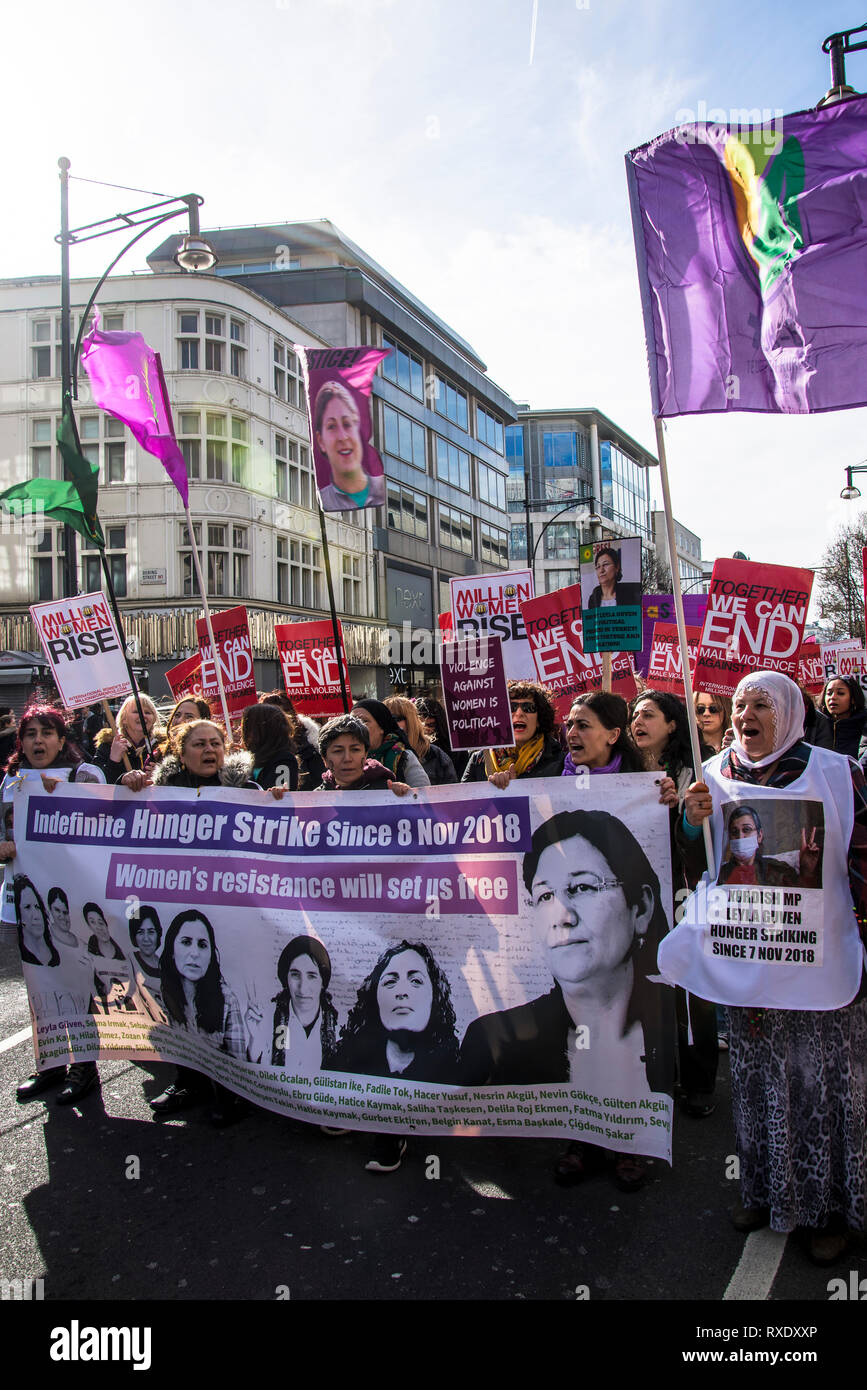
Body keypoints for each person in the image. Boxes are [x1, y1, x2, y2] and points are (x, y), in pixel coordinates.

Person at [678, 670, 867, 1264]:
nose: (744, 713)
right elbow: (694, 861)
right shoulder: (710, 775)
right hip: (749, 966)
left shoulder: (839, 772)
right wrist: (690, 819)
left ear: (789, 712)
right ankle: (765, 1190)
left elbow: (862, 856)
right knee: (758, 1082)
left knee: (820, 1085)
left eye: (761, 703)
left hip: (819, 964)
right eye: (738, 704)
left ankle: (828, 1210)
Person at [459, 809, 675, 1192]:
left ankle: (631, 1141)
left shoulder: (674, 1017)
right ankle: (583, 1138)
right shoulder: (496, 1040)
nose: (562, 915)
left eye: (583, 888)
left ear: (639, 908)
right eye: (544, 896)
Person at [1, 705, 105, 1104]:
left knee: (76, 983)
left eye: (47, 733)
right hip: (25, 902)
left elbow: (108, 828)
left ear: (63, 740)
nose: (38, 741)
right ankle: (49, 1063)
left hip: (72, 902)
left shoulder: (83, 777)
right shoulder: (12, 783)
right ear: (21, 742)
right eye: (30, 734)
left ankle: (84, 1066)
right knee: (39, 982)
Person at [335, 941, 461, 1171]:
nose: (402, 992)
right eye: (390, 981)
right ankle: (345, 1109)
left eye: (416, 981)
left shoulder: (455, 1064)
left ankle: (391, 1130)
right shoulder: (344, 1053)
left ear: (435, 995)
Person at [160, 910, 246, 1128]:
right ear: (171, 949)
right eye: (186, 942)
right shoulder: (166, 990)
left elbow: (237, 1055)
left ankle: (231, 1096)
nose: (194, 954)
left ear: (211, 954)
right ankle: (188, 1083)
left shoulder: (226, 999)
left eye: (202, 945)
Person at [246, 936, 338, 1071]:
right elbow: (254, 1073)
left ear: (323, 981)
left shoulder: (339, 1028)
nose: (302, 988)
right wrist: (254, 1038)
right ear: (286, 978)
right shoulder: (266, 1018)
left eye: (312, 976)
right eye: (295, 975)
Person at [462, 680, 565, 785]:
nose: (519, 713)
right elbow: (462, 799)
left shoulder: (560, 761)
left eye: (528, 708)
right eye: (512, 707)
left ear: (539, 719)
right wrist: (492, 792)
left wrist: (515, 790)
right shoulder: (479, 760)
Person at [314, 380, 385, 511]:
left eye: (347, 424)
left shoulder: (380, 488)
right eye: (331, 426)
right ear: (321, 441)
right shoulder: (323, 499)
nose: (342, 436)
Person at [717, 804, 820, 888]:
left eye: (746, 830)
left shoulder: (778, 871)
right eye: (734, 832)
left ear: (759, 835)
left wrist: (807, 871)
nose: (740, 836)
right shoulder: (720, 875)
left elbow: (803, 903)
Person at [350, 700, 430, 788]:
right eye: (352, 721)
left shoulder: (403, 757)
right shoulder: (345, 757)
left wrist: (401, 791)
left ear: (382, 727)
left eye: (364, 721)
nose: (356, 726)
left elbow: (422, 795)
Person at [385, 695, 457, 785]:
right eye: (384, 719)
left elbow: (451, 793)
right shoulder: (372, 755)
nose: (389, 723)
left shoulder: (435, 755)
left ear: (411, 721)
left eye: (395, 718)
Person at [93, 693, 164, 784]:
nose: (143, 715)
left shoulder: (163, 746)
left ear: (154, 719)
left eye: (148, 712)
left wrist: (160, 775)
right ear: (124, 719)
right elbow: (96, 784)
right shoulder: (108, 745)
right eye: (136, 711)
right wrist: (113, 760)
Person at [259, 692, 325, 790]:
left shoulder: (311, 753)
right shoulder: (252, 755)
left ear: (291, 719)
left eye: (278, 718)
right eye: (266, 719)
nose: (273, 725)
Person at [240, 702, 299, 791]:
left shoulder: (284, 760)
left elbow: (277, 797)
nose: (246, 733)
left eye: (249, 727)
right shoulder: (247, 759)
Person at [807, 676, 867, 759]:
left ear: (853, 699)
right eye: (829, 693)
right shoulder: (812, 724)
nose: (833, 697)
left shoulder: (864, 724)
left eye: (840, 693)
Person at [414, 695, 468, 779]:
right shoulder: (408, 745)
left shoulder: (454, 745)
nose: (426, 730)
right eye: (420, 726)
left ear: (439, 724)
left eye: (431, 725)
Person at [693, 691, 732, 755]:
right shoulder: (686, 749)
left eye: (714, 708)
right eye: (700, 709)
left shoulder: (737, 749)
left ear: (726, 710)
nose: (706, 714)